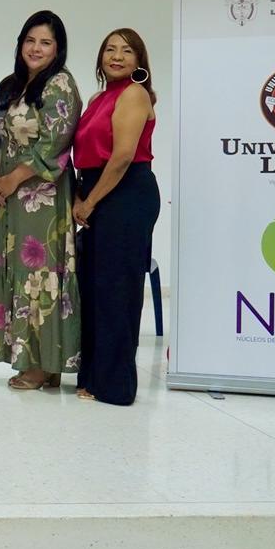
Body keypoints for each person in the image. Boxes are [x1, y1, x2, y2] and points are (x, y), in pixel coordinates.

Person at [0, 11, 82, 392]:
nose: (36, 49)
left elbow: (53, 148)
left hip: (42, 196)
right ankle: (27, 357)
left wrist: (11, 179)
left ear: (57, 49)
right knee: (15, 271)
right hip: (8, 197)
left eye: (45, 43)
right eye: (30, 40)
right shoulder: (10, 85)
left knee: (41, 275)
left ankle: (44, 363)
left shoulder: (60, 85)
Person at [72, 28, 160, 406]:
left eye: (127, 50)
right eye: (110, 49)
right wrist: (80, 195)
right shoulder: (96, 98)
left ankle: (116, 385)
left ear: (139, 60)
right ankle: (93, 375)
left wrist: (89, 202)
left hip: (125, 194)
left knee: (116, 291)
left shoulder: (135, 94)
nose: (117, 56)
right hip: (96, 190)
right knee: (94, 289)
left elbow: (123, 155)